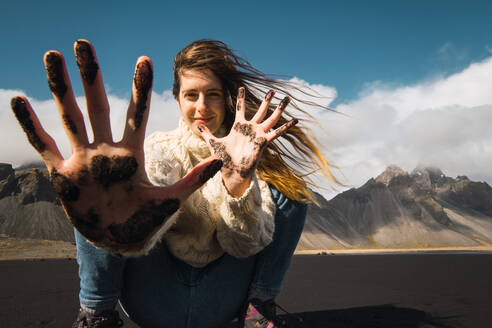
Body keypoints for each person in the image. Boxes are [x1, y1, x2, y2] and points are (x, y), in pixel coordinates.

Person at [11, 39, 338, 328]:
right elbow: (139, 231)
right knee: (100, 193)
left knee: (290, 190)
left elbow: (244, 246)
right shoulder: (156, 150)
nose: (202, 107)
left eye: (212, 95)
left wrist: (238, 180)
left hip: (223, 299)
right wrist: (129, 219)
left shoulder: (250, 156)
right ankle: (97, 314)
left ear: (226, 99)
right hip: (154, 297)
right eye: (191, 94)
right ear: (177, 99)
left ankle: (259, 311)